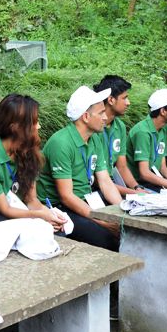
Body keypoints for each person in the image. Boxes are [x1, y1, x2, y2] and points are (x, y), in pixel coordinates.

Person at [37, 86, 122, 251]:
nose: (105, 117)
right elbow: (66, 197)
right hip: (58, 206)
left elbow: (105, 181)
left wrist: (123, 211)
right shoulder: (61, 143)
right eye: (101, 113)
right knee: (106, 238)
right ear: (86, 117)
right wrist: (103, 222)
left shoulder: (95, 138)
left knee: (127, 228)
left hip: (85, 200)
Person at [0, 94, 66, 231]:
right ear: (15, 127)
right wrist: (40, 217)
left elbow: (31, 200)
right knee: (35, 231)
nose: (39, 126)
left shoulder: (28, 151)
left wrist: (51, 215)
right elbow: (5, 209)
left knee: (56, 230)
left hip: (16, 209)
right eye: (34, 122)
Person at [92, 75, 146, 195]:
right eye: (124, 98)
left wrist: (136, 187)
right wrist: (133, 193)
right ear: (111, 100)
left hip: (113, 185)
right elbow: (96, 179)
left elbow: (122, 167)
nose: (128, 103)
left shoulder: (119, 126)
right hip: (97, 188)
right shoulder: (94, 128)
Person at [126, 89, 167, 191]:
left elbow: (163, 168)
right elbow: (144, 173)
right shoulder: (142, 132)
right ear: (163, 111)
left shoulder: (162, 130)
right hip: (138, 185)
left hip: (153, 181)